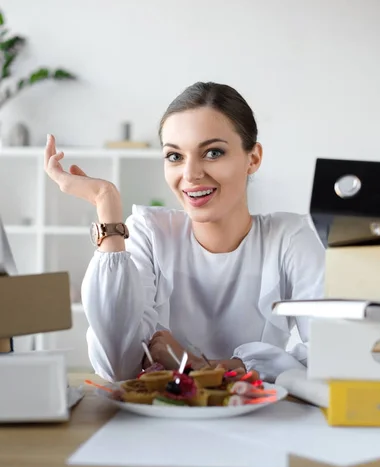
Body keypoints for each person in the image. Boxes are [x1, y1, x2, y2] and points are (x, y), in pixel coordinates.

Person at [44, 82, 325, 382]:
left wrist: (202, 366)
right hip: (157, 423)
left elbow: (330, 355)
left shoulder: (290, 239)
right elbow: (117, 366)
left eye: (213, 153)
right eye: (175, 156)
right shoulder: (150, 233)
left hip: (262, 422)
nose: (191, 175)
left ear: (253, 158)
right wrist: (106, 202)